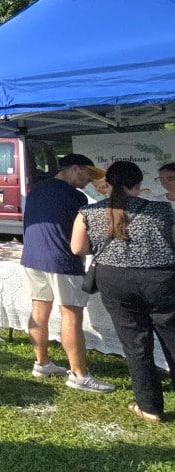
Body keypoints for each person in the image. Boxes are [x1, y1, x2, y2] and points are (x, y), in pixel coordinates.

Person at [71, 161, 175, 422]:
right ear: (137, 186)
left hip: (114, 280)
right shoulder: (162, 210)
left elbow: (78, 248)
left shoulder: (87, 212)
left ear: (109, 184)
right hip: (160, 278)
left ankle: (149, 407)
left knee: (135, 344)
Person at [20, 153, 115, 393]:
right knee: (71, 316)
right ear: (74, 169)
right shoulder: (75, 196)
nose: (90, 180)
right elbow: (84, 234)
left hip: (33, 256)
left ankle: (42, 363)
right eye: (88, 174)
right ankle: (79, 375)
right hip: (62, 259)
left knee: (39, 310)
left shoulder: (37, 188)